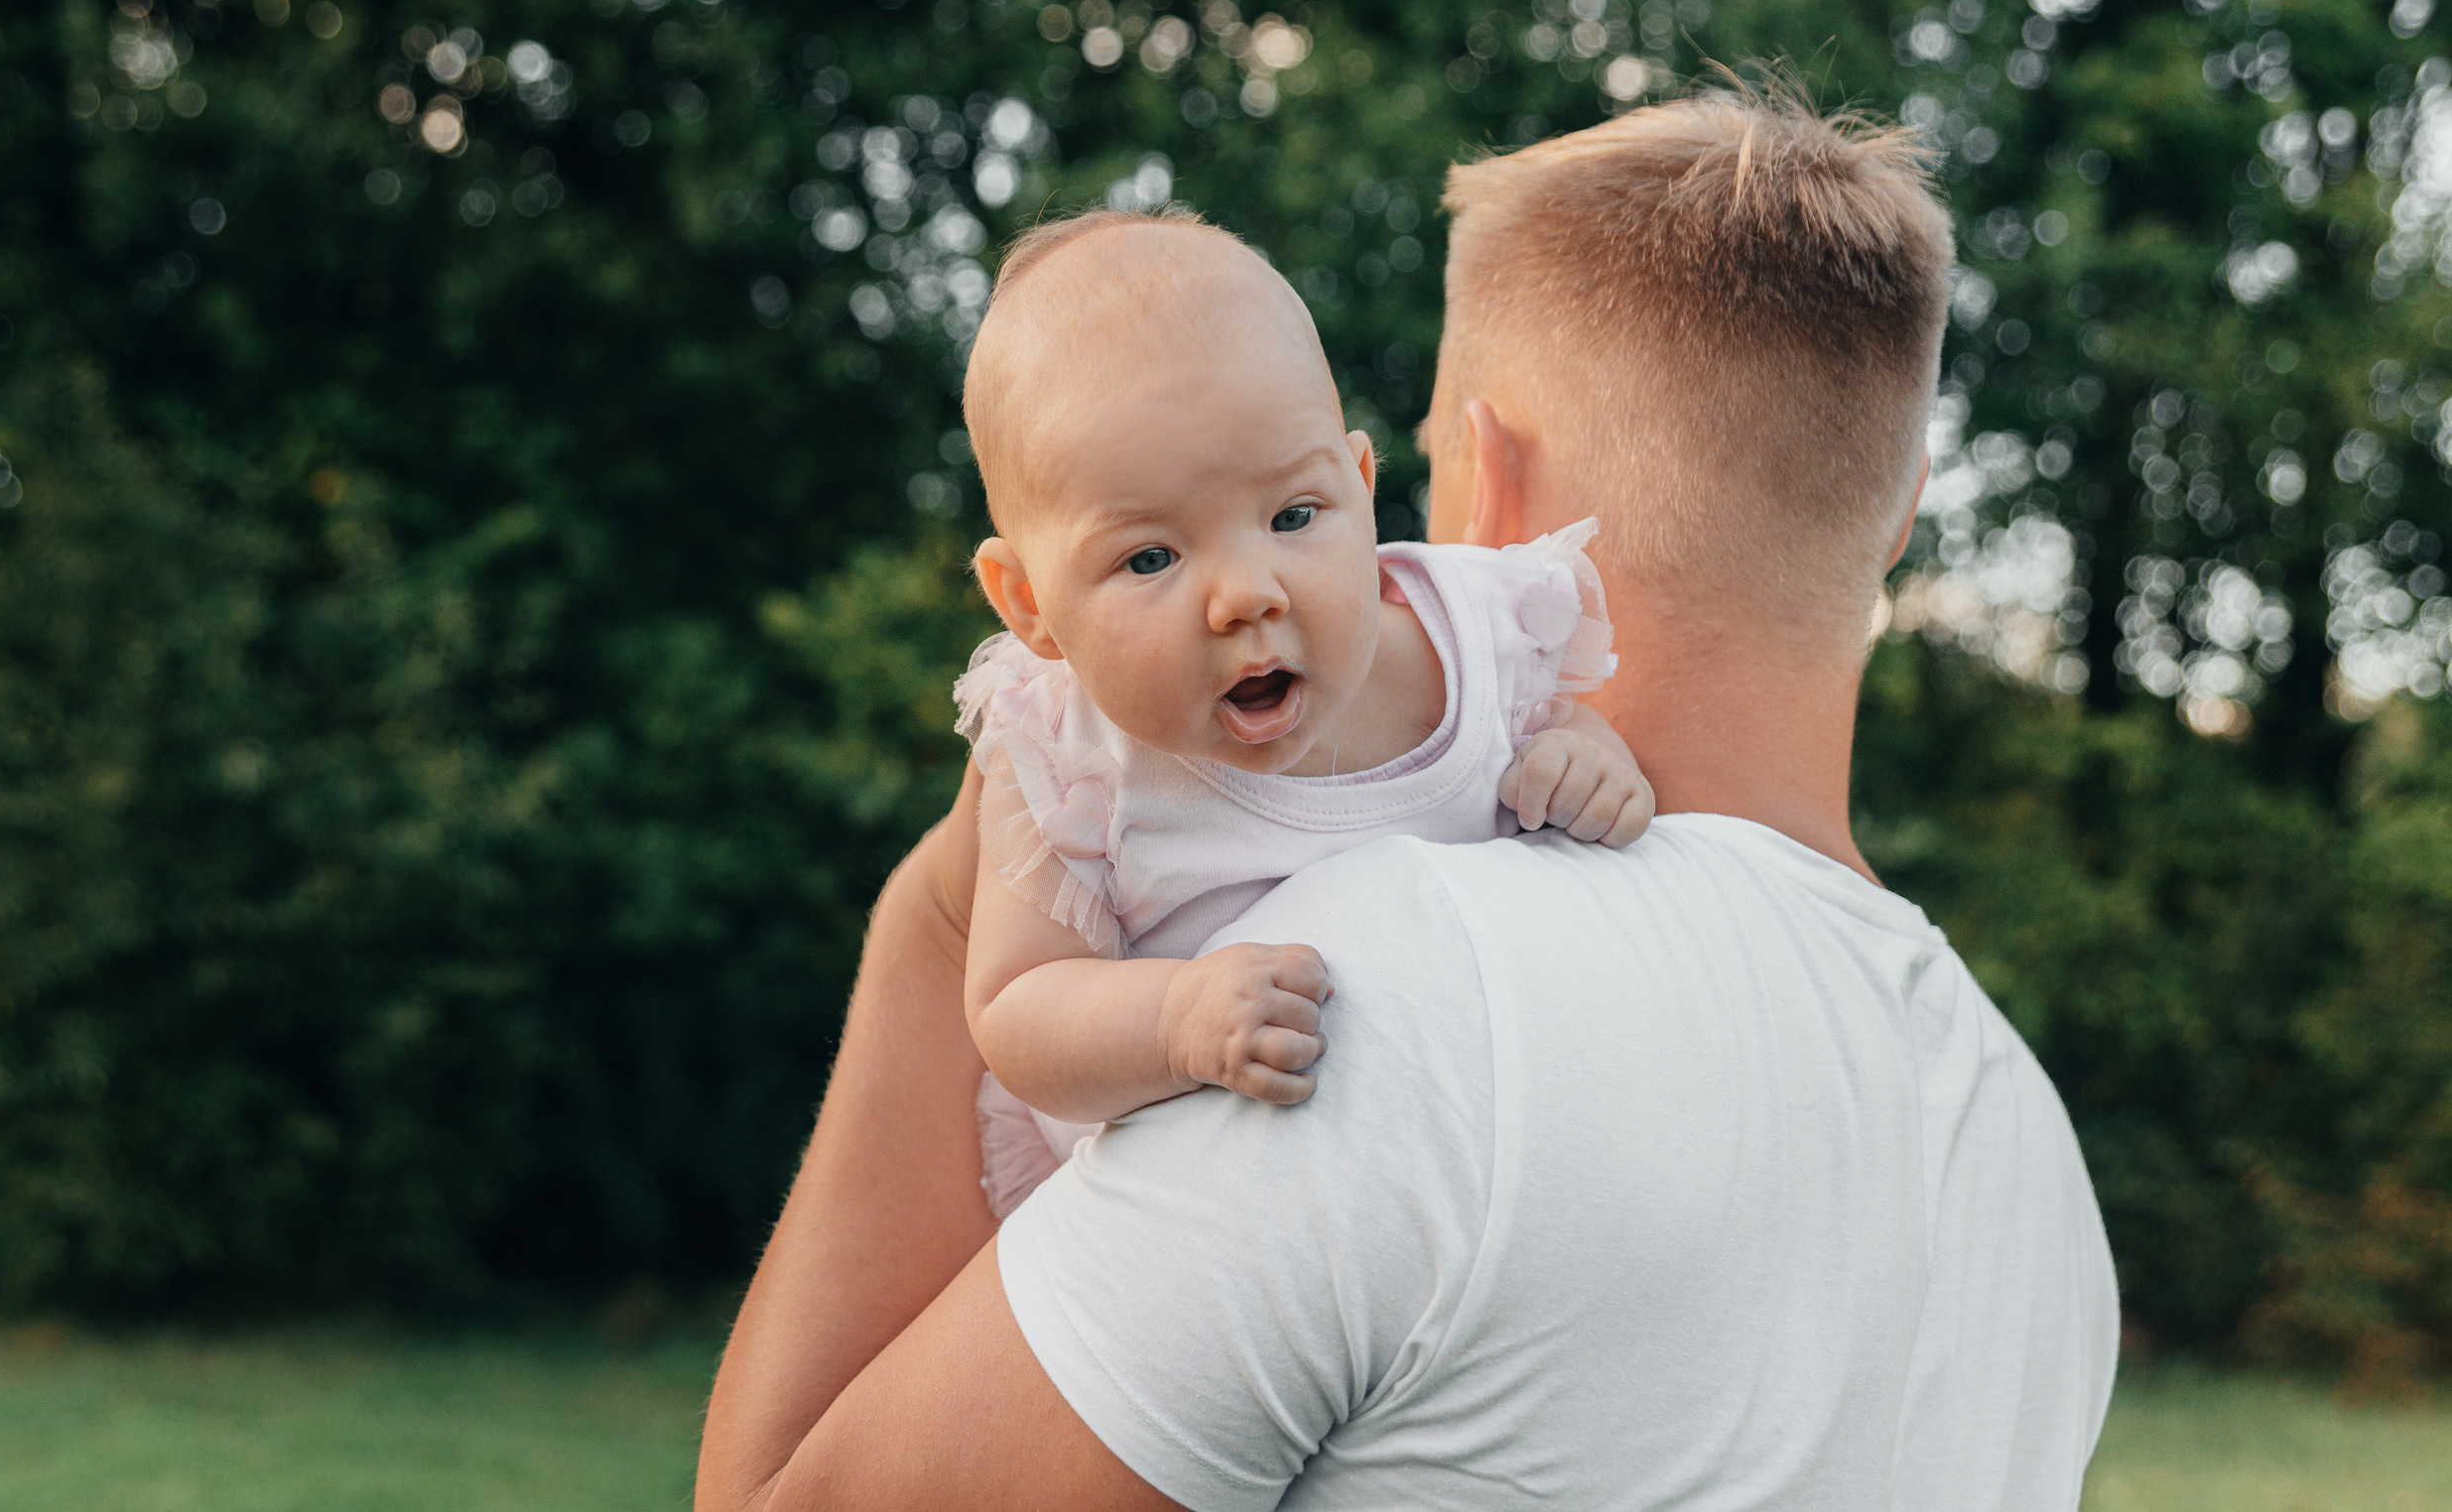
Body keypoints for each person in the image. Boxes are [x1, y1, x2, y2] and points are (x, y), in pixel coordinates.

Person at [696, 91, 2119, 1512]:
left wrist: (946, 907)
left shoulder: (1383, 995)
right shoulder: (2029, 1156)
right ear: (1903, 503)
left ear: (1479, 482)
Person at [950, 207, 1647, 1216]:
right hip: (1188, 1221)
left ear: (1362, 492)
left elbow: (1555, 730)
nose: (1247, 594)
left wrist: (1588, 755)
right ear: (1028, 606)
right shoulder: (1068, 758)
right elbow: (1017, 1012)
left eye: (1292, 517)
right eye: (1149, 557)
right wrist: (1175, 1018)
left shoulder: (1483, 640)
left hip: (1478, 1171)